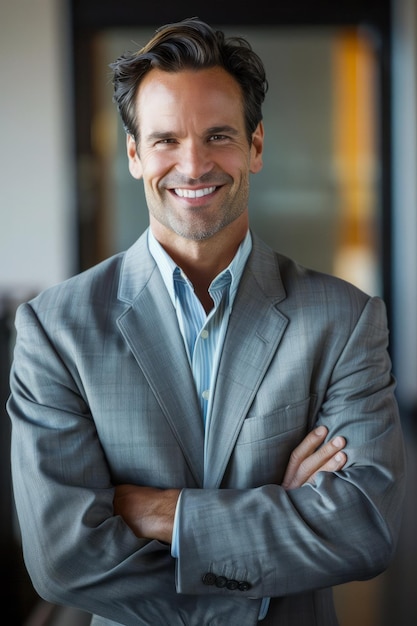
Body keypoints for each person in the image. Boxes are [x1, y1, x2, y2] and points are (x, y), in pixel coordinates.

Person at [7, 17, 405, 626]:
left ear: (257, 146)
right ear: (136, 155)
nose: (193, 166)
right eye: (166, 140)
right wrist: (274, 522)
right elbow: (63, 559)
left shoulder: (345, 319)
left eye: (219, 135)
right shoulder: (56, 330)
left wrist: (159, 512)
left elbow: (364, 530)